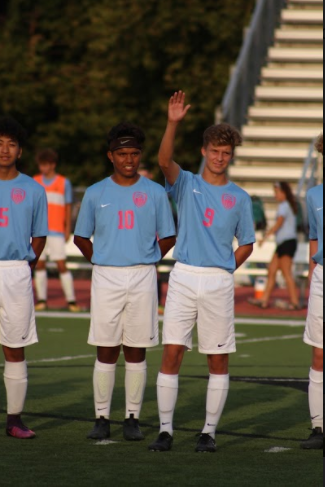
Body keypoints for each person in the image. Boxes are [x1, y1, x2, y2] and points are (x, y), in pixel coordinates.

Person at [149, 91, 255, 453]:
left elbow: (248, 243)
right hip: (183, 275)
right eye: (215, 151)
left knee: (217, 358)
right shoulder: (187, 183)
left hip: (218, 282)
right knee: (172, 353)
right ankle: (165, 430)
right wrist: (173, 122)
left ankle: (208, 432)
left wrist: (226, 269)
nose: (220, 158)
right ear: (204, 151)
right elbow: (164, 160)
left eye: (226, 153)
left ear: (231, 156)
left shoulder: (240, 197)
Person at [74, 122, 176, 442]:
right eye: (122, 154)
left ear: (139, 155)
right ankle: (101, 417)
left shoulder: (155, 192)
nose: (128, 159)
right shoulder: (95, 192)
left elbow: (169, 236)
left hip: (143, 275)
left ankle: (132, 418)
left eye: (133, 153)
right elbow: (80, 237)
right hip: (106, 275)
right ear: (111, 156)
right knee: (106, 348)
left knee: (136, 349)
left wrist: (147, 257)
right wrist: (101, 258)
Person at [0, 116, 48, 439]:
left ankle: (14, 420)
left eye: (11, 144)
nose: (4, 150)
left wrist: (25, 267)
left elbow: (40, 236)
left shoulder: (33, 188)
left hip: (15, 270)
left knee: (14, 347)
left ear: (20, 151)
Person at [33, 149, 80, 312]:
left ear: (52, 165)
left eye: (45, 165)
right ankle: (42, 300)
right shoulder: (35, 181)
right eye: (41, 165)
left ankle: (71, 301)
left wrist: (67, 228)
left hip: (56, 231)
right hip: (38, 231)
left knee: (61, 265)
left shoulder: (63, 182)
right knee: (39, 265)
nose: (42, 168)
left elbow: (67, 207)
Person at [301, 134, 323, 450]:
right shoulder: (313, 194)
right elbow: (314, 240)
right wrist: (310, 279)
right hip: (322, 276)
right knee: (319, 353)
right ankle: (319, 427)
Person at [248, 182, 300, 310]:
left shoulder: (284, 205)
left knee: (286, 273)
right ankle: (264, 300)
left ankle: (294, 302)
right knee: (271, 271)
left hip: (287, 243)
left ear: (283, 193)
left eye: (277, 192)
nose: (275, 195)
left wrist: (265, 237)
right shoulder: (287, 205)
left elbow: (279, 223)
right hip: (283, 243)